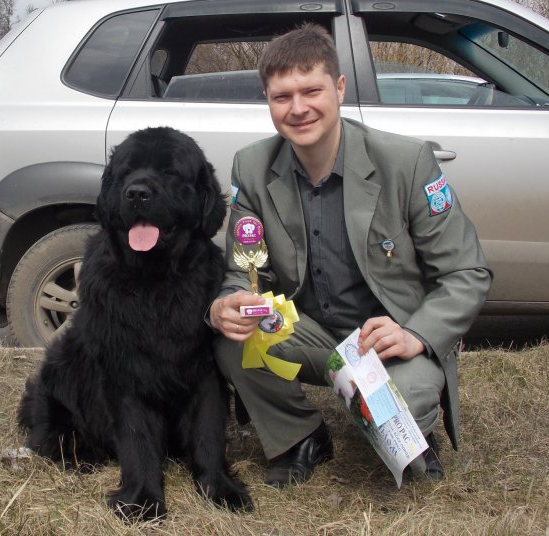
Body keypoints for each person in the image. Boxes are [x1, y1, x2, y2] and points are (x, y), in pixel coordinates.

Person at [209, 23, 492, 488]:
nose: (298, 109)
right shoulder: (252, 167)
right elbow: (246, 269)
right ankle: (300, 436)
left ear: (339, 88)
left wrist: (415, 334)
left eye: (311, 90)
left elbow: (467, 272)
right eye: (282, 97)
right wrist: (227, 304)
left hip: (386, 341)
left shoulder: (407, 161)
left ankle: (408, 427)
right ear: (268, 100)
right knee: (229, 338)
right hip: (309, 331)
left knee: (399, 403)